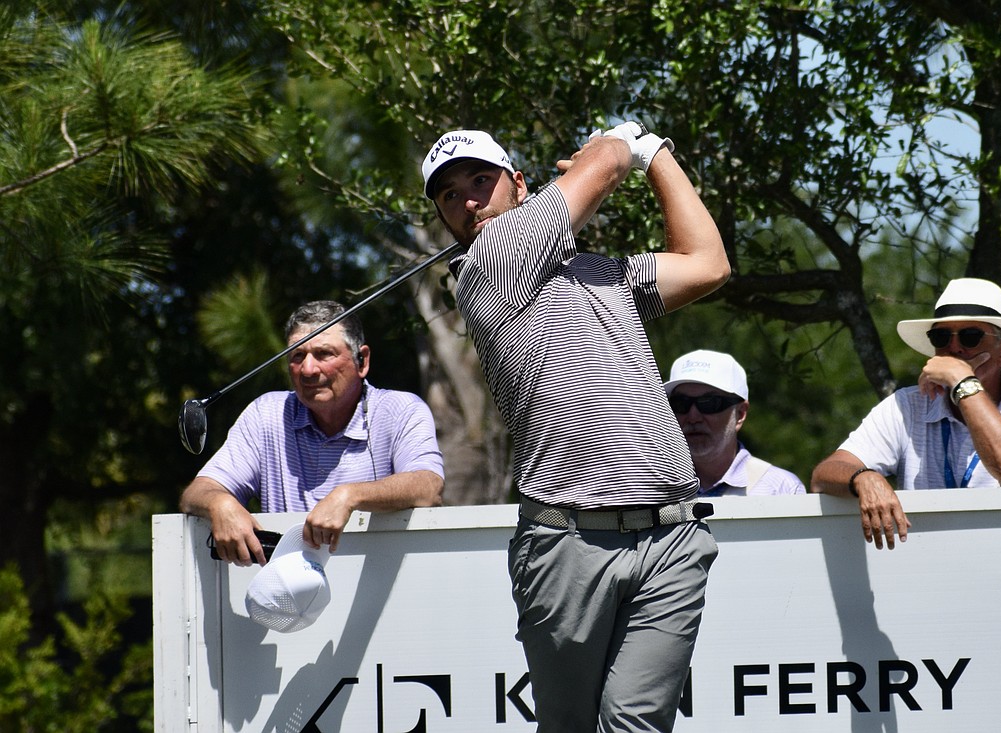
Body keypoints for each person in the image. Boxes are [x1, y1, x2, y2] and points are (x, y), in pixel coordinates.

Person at [421, 122, 729, 731]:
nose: (469, 203)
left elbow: (708, 263)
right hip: (568, 544)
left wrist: (658, 154)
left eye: (481, 181)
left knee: (634, 723)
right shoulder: (486, 267)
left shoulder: (605, 273)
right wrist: (622, 141)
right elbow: (607, 165)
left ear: (520, 184)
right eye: (450, 196)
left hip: (669, 539)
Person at [810, 277, 1001, 550]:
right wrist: (863, 478)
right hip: (930, 571)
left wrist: (963, 382)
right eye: (941, 337)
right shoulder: (906, 405)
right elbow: (823, 475)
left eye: (971, 336)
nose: (955, 347)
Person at [180, 300, 445, 565]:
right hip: (283, 597)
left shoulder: (400, 410)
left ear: (361, 361)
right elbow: (196, 494)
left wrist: (349, 496)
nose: (308, 369)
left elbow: (428, 487)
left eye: (324, 354)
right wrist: (220, 505)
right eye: (297, 356)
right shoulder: (266, 414)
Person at [664, 349, 805, 496]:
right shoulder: (650, 488)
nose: (693, 417)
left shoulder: (782, 490)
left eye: (710, 403)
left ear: (740, 413)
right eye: (680, 403)